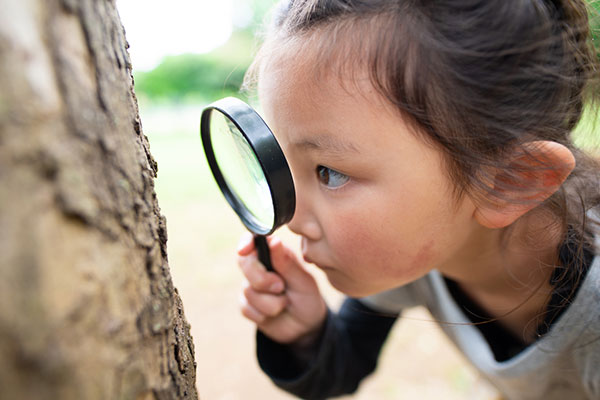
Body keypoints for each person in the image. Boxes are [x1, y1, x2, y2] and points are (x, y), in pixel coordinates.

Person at [235, 0, 600, 398]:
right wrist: (306, 334)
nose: (292, 218)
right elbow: (348, 356)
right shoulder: (425, 249)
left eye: (331, 173)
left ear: (510, 181)